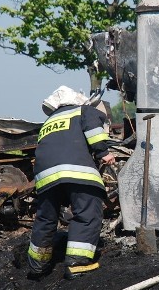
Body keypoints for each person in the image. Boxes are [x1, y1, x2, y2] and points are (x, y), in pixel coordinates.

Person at [27, 86, 116, 279]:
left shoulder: (48, 122)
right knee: (86, 213)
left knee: (45, 219)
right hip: (77, 172)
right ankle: (77, 263)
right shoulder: (84, 111)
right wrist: (104, 153)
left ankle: (37, 266)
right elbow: (94, 132)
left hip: (45, 178)